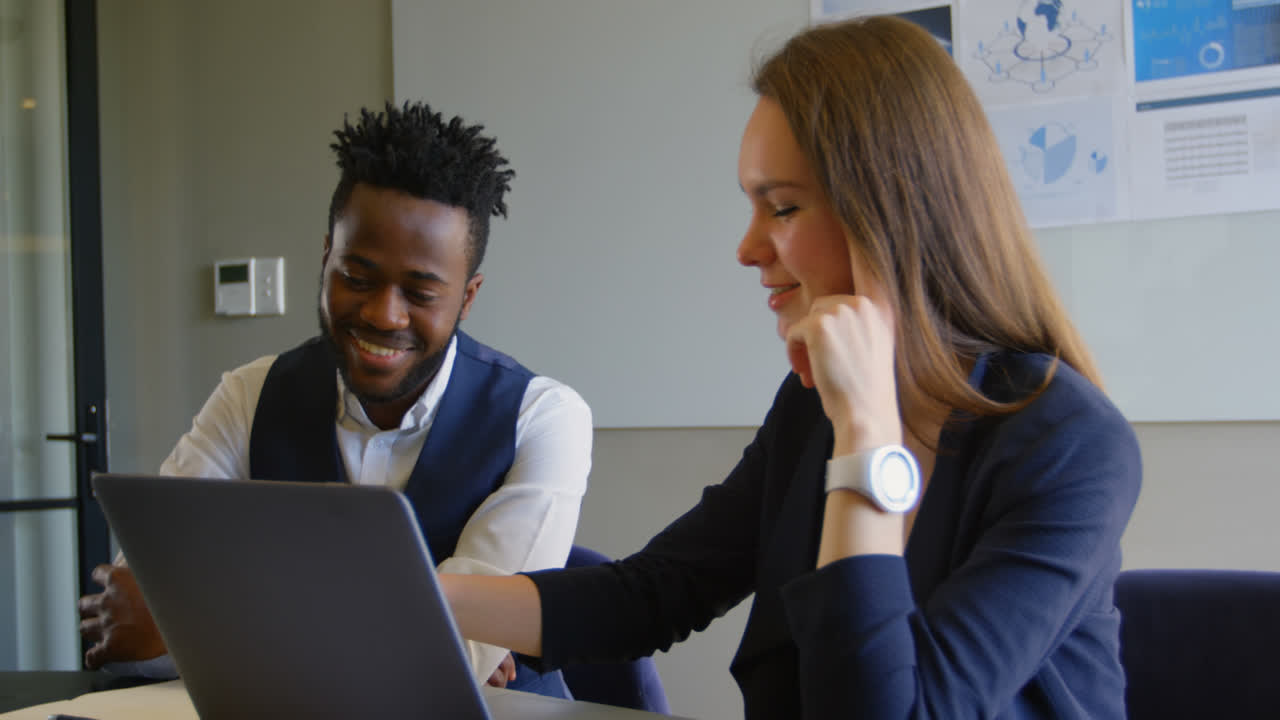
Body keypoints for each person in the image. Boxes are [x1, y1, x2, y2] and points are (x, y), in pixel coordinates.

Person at [440, 15, 1141, 718]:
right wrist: (422, 595)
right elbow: (653, 595)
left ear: (890, 215)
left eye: (782, 208)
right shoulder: (812, 408)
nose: (747, 249)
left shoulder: (1069, 442)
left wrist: (867, 433)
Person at [77, 101, 592, 698]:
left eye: (421, 292)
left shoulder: (545, 419)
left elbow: (445, 667)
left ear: (467, 297)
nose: (382, 314)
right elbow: (134, 613)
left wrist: (203, 621)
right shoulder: (248, 396)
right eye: (358, 278)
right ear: (325, 260)